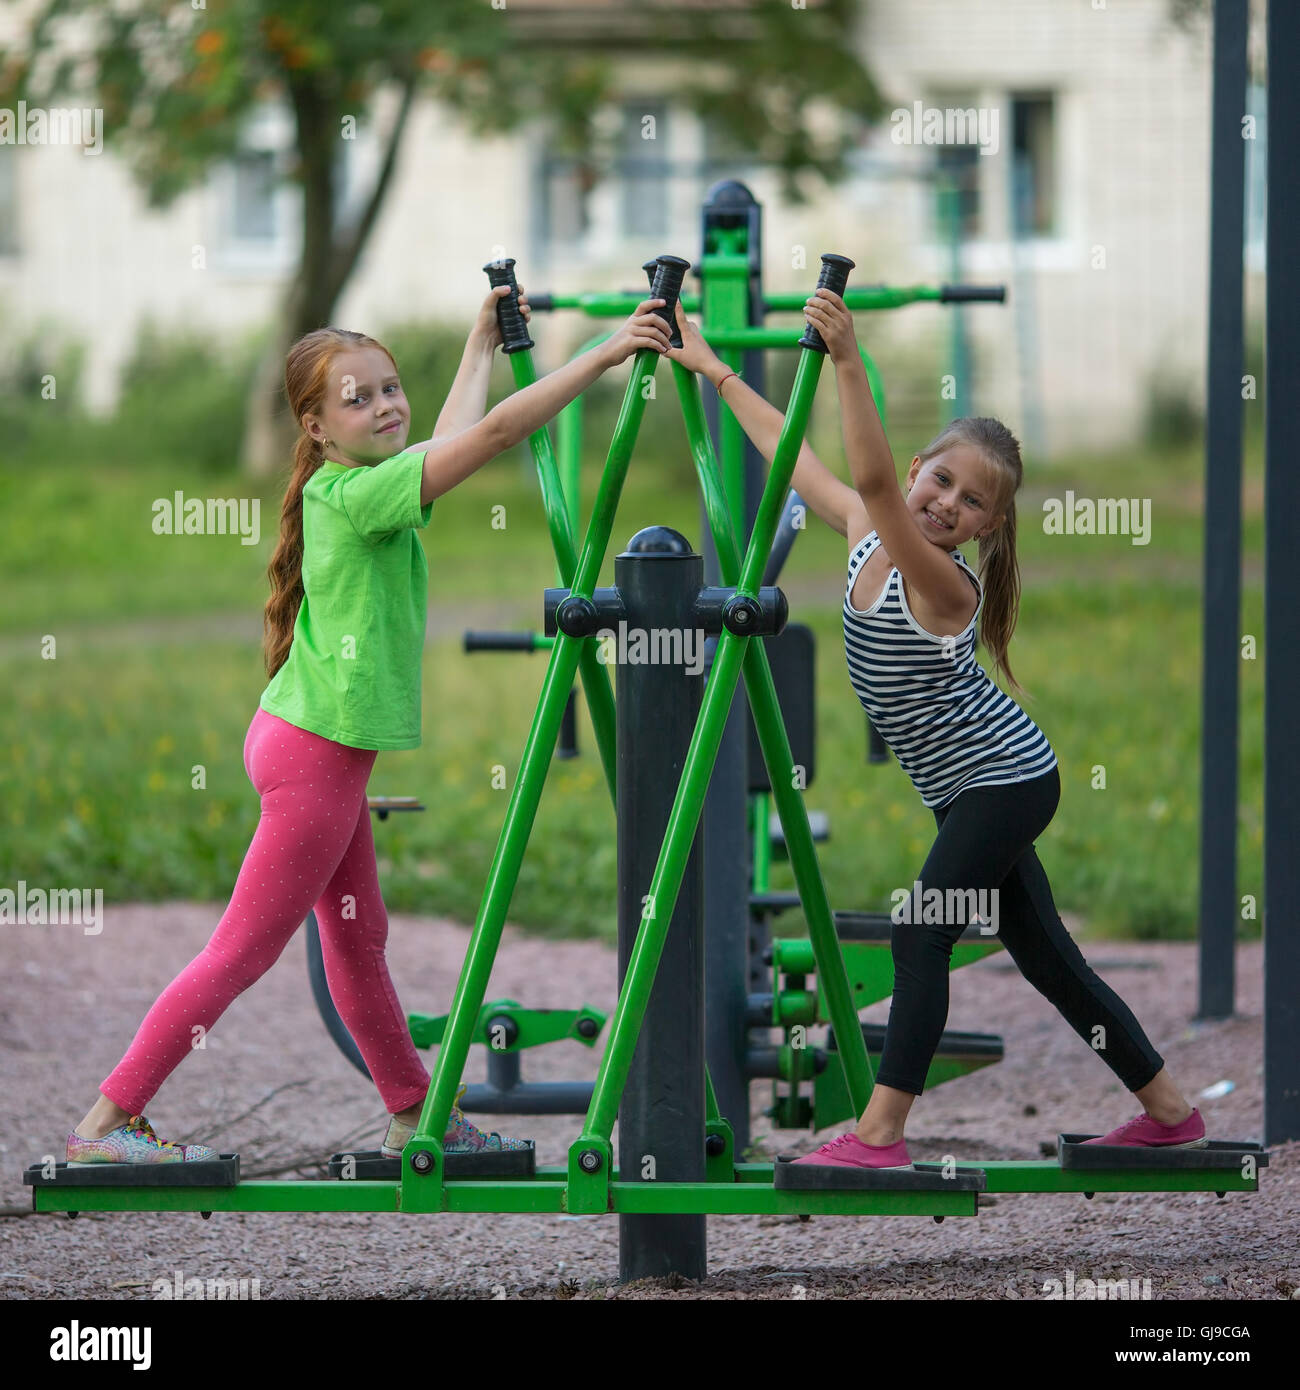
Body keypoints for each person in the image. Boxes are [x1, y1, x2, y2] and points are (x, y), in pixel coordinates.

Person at [67, 284, 674, 1165]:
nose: (385, 406)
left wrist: (476, 346)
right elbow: (495, 437)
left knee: (357, 940)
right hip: (313, 758)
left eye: (390, 388)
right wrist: (608, 354)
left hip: (315, 749)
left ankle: (414, 1115)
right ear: (315, 427)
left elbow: (450, 440)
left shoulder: (358, 484)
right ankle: (105, 1123)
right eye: (359, 399)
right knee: (240, 951)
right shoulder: (353, 499)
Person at [665, 292, 1207, 1170]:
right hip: (970, 791)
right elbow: (793, 454)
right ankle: (1170, 1109)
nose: (947, 503)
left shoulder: (945, 586)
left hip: (1008, 781)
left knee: (922, 930)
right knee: (1047, 956)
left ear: (989, 527)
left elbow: (872, 484)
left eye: (972, 501)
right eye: (940, 480)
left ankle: (880, 1134)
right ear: (920, 469)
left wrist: (848, 359)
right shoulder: (859, 530)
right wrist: (715, 368)